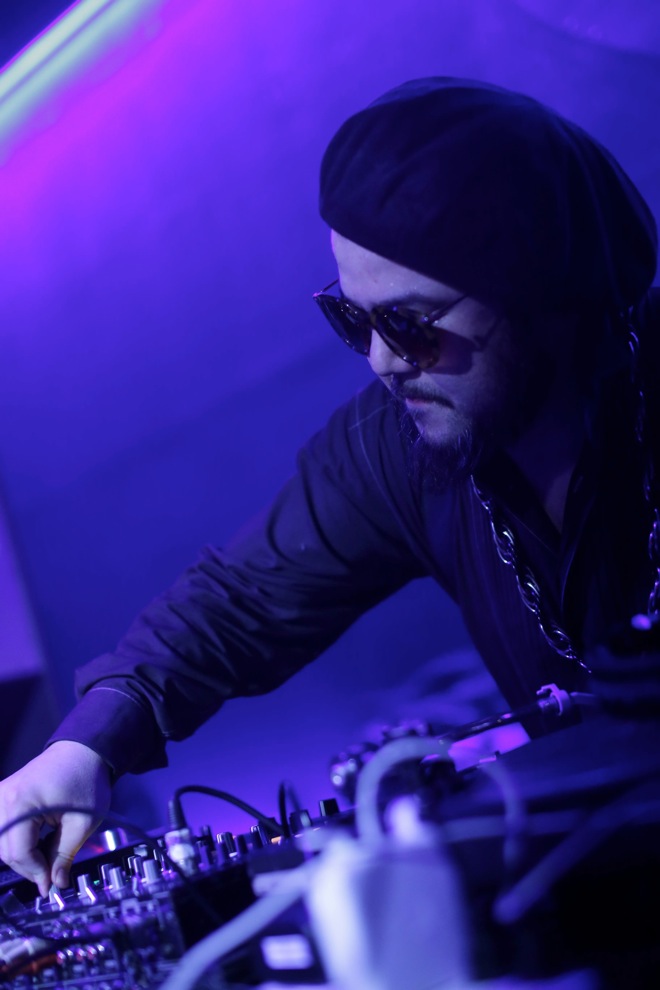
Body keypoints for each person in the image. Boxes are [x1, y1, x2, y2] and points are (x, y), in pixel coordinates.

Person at [0, 76, 658, 899]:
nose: (381, 361)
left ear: (543, 292)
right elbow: (238, 601)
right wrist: (83, 748)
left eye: (410, 325)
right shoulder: (398, 443)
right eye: (353, 319)